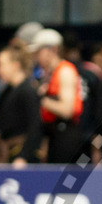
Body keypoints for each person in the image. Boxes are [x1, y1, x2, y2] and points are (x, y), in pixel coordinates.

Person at [30, 28, 84, 164]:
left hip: (67, 137)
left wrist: (41, 100)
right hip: (55, 135)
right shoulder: (49, 74)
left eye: (39, 52)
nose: (36, 57)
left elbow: (67, 110)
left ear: (52, 50)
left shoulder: (65, 71)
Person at [0, 46, 42, 167]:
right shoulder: (5, 93)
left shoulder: (28, 91)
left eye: (1, 65)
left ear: (15, 65)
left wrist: (23, 156)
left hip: (22, 157)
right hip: (7, 154)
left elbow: (35, 126)